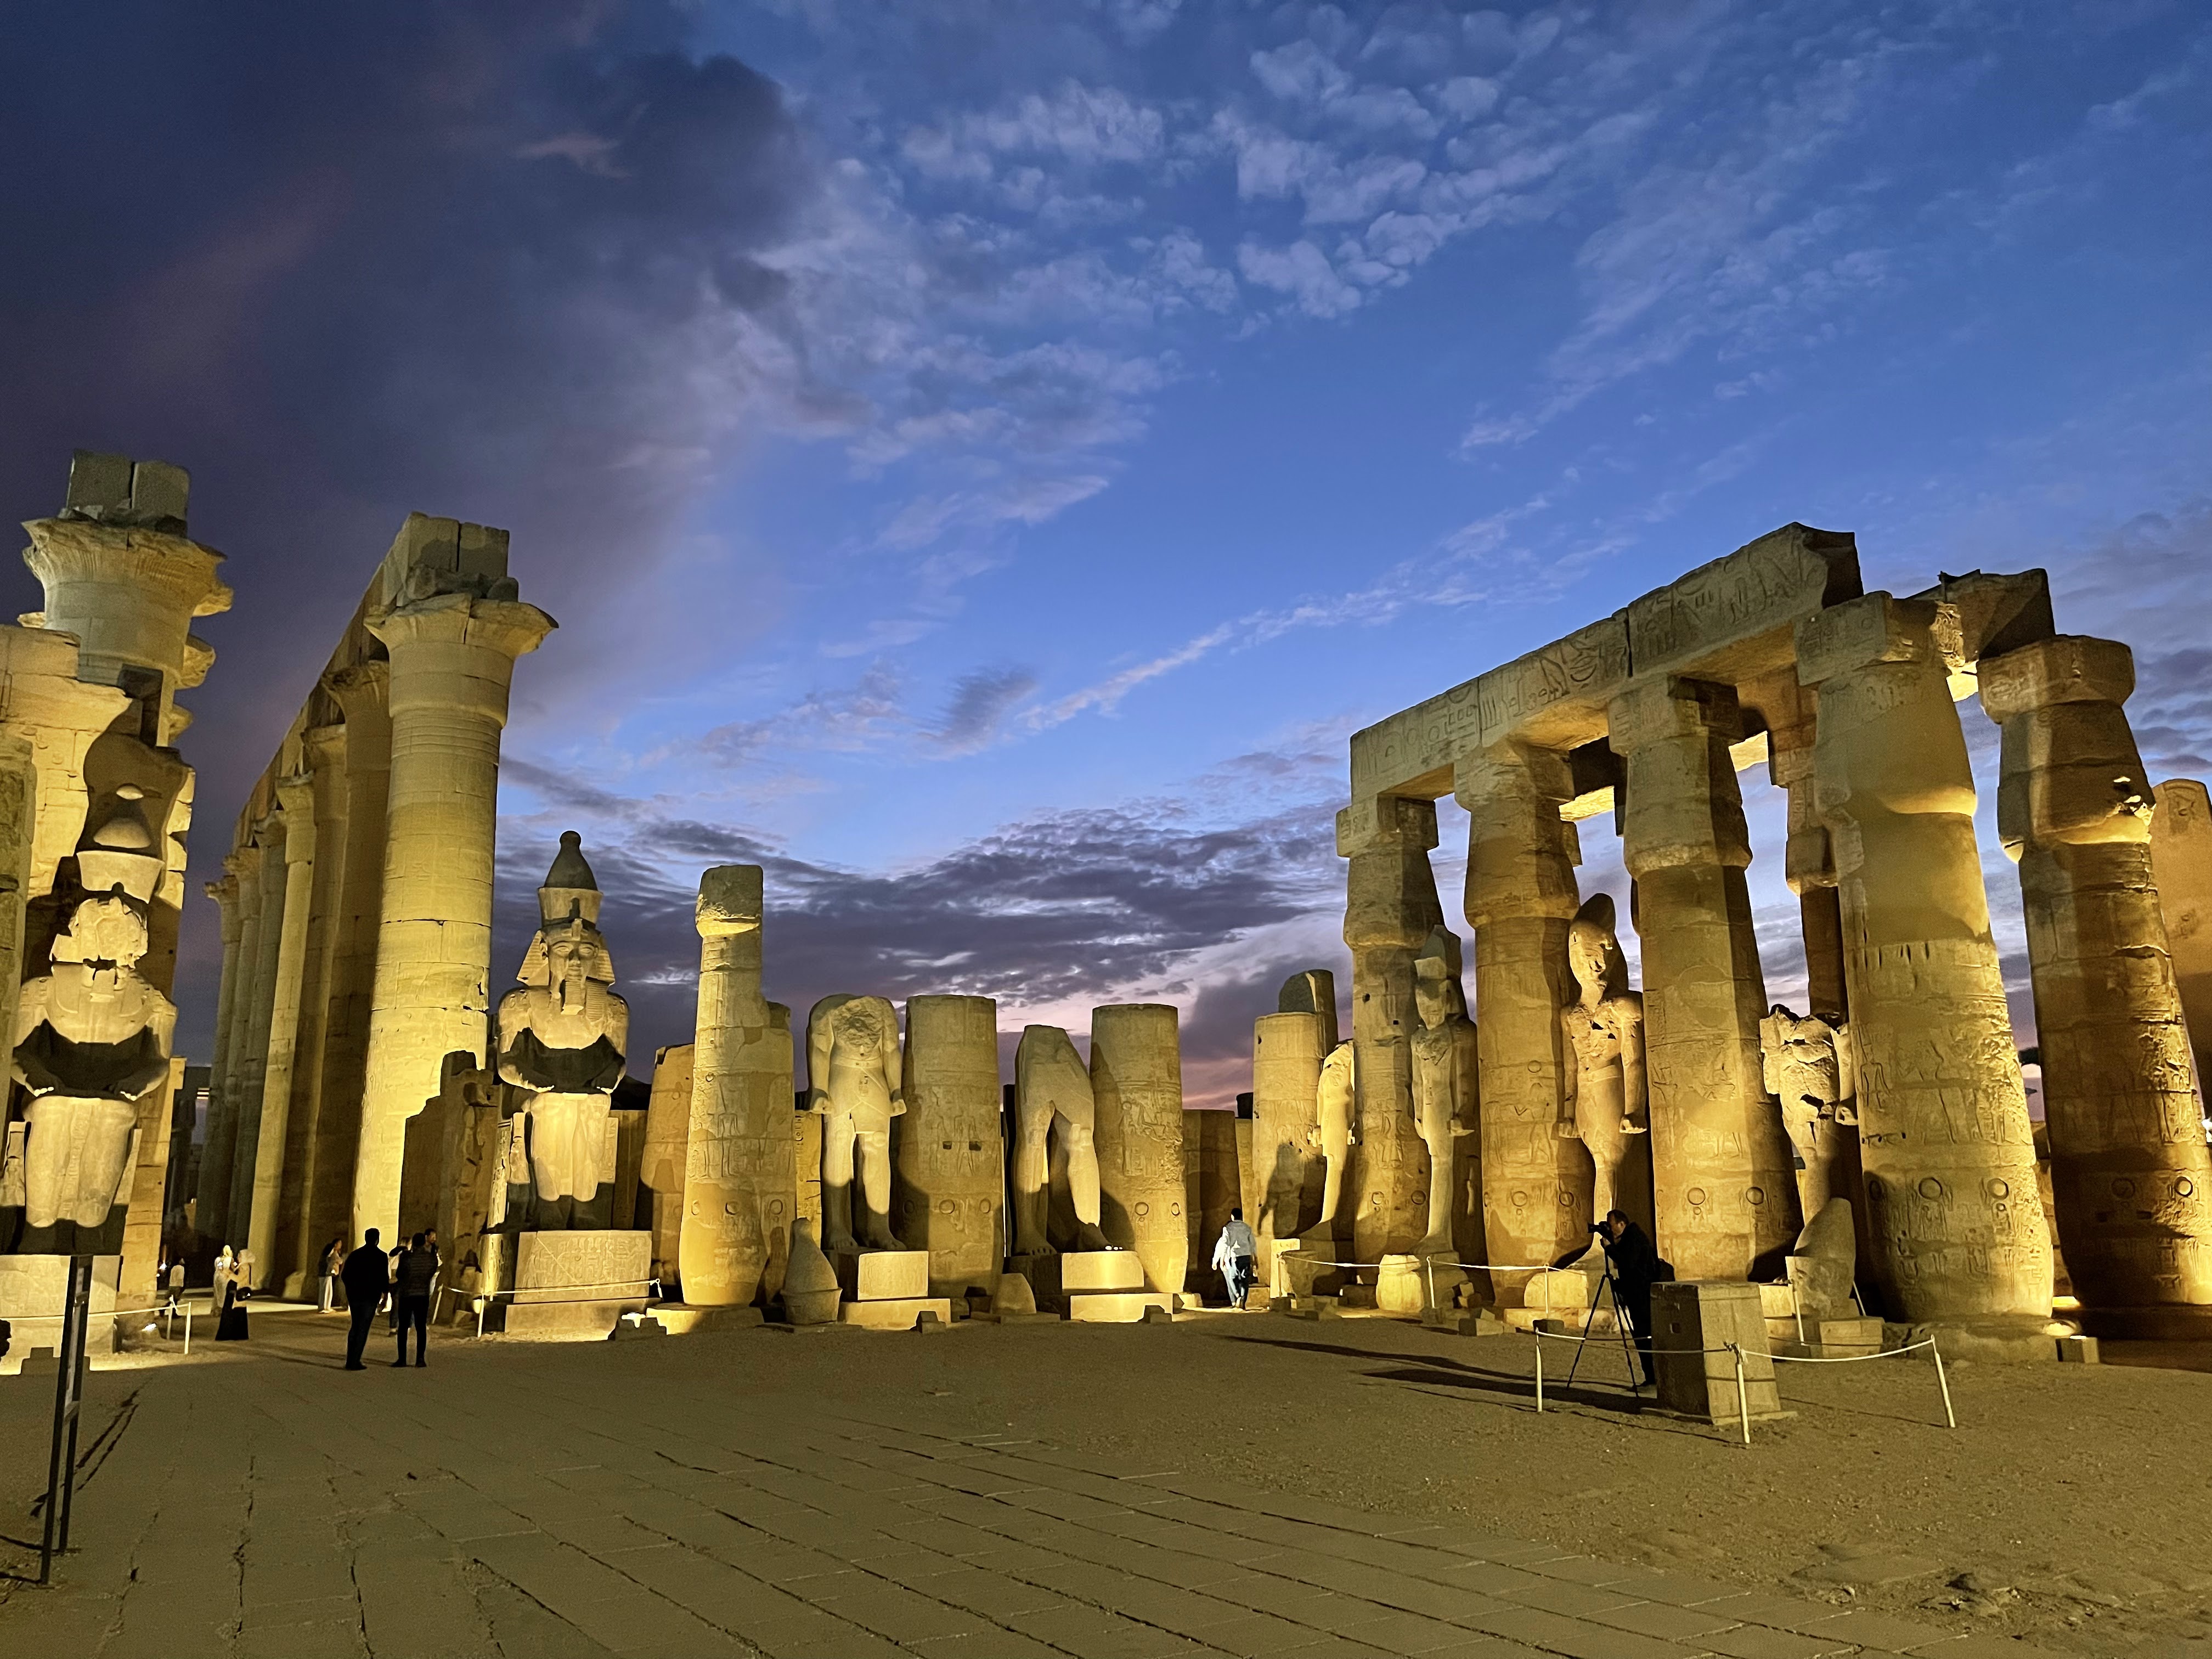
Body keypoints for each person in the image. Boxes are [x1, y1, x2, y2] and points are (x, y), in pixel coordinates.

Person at [1596, 1209, 1670, 1387]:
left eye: (1611, 1224)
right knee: (1642, 1338)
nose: (1610, 1228)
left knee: (1645, 1338)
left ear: (1622, 1224)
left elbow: (1628, 1263)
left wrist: (1609, 1248)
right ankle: (1652, 1378)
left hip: (1642, 1298)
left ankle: (1654, 1379)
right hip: (1638, 1296)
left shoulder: (1635, 1238)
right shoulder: (1630, 1238)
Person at [340, 1228, 390, 1370]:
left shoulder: (356, 1255)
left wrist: (351, 1289)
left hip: (355, 1296)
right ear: (377, 1240)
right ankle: (355, 1361)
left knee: (355, 1326)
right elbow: (383, 1278)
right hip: (370, 1297)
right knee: (363, 1328)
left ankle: (351, 1359)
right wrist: (385, 1295)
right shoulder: (381, 1256)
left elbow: (345, 1275)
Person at [392, 1232, 438, 1368]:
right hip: (422, 1295)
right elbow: (432, 1271)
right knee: (421, 1328)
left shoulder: (407, 1259)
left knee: (403, 1328)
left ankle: (402, 1359)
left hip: (407, 1295)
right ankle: (420, 1359)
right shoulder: (430, 1259)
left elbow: (400, 1275)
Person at [1212, 1206, 1259, 1311]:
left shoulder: (1228, 1228)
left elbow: (1224, 1243)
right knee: (1245, 1280)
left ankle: (1237, 1295)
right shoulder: (1247, 1228)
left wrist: (1223, 1258)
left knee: (1233, 1278)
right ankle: (1243, 1299)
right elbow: (1253, 1244)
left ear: (1232, 1216)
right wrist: (1255, 1258)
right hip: (1246, 1255)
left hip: (1234, 1256)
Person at [215, 1268, 250, 1341]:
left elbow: (238, 1279)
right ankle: (233, 1334)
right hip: (232, 1292)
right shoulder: (238, 1265)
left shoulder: (244, 1266)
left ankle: (234, 1334)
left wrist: (228, 1272)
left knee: (236, 1314)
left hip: (237, 1294)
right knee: (233, 1313)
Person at [315, 1237, 344, 1313]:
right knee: (324, 1290)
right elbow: (332, 1259)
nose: (341, 1245)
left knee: (329, 1290)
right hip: (324, 1272)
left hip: (328, 1273)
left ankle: (327, 1307)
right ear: (335, 1244)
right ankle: (322, 1308)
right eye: (339, 1243)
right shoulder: (330, 1250)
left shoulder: (335, 1251)